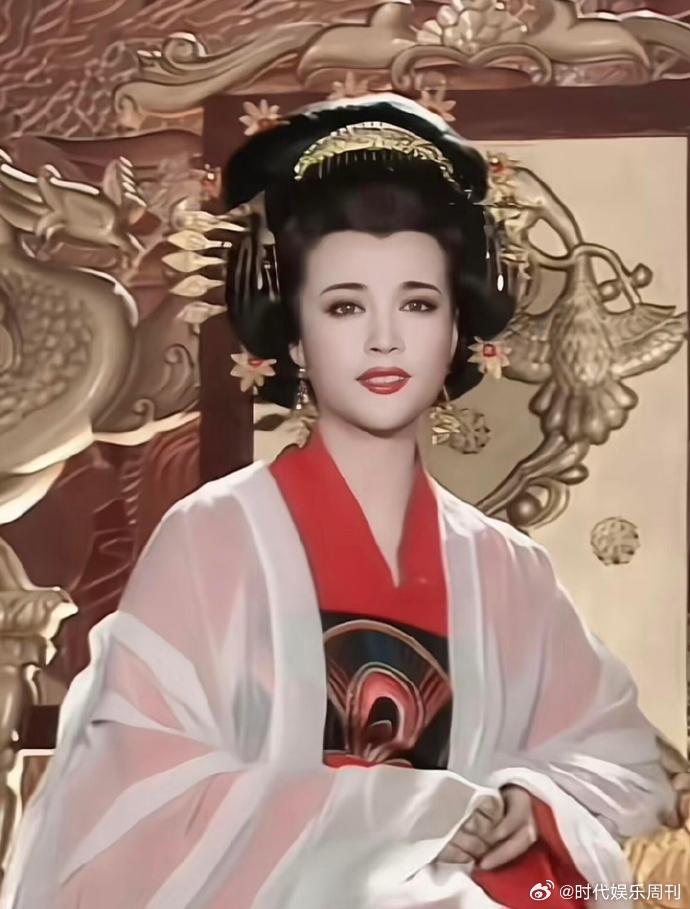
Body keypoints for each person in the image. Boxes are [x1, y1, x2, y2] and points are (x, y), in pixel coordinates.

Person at [1, 96, 674, 909]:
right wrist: (398, 810)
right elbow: (129, 799)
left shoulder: (506, 567)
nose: (384, 338)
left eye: (418, 303)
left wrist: (531, 801)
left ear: (456, 330)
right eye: (345, 305)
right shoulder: (215, 538)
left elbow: (617, 762)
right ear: (293, 335)